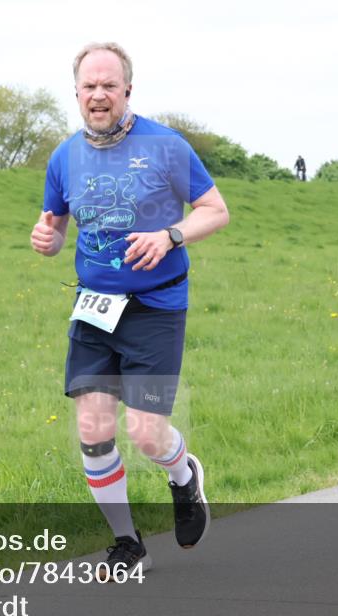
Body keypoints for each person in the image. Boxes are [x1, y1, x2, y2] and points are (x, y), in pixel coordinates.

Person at [30, 42, 229, 577]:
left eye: (109, 86)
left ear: (127, 91)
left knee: (145, 433)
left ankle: (184, 476)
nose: (99, 95)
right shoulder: (64, 157)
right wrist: (47, 241)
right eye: (89, 86)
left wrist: (170, 236)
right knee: (93, 431)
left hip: (155, 307)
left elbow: (215, 210)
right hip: (94, 309)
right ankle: (127, 543)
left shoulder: (166, 146)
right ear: (76, 92)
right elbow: (55, 227)